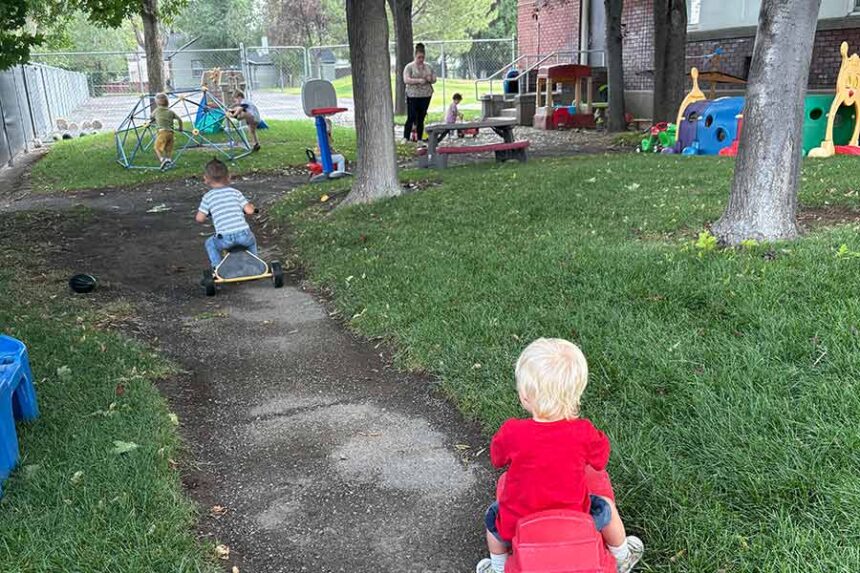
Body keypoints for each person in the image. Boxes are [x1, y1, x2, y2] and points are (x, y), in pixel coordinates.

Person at [476, 338, 645, 573]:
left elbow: (497, 459)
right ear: (577, 394)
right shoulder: (583, 432)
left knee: (493, 518)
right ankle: (622, 555)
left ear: (524, 395)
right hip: (577, 520)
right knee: (606, 506)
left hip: (519, 522)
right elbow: (600, 460)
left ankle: (498, 567)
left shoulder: (512, 432)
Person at [195, 158, 257, 270]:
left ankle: (217, 268)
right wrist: (252, 207)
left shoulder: (208, 197)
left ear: (206, 179)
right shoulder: (235, 193)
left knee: (210, 243)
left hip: (225, 238)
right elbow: (249, 211)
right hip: (244, 235)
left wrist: (208, 213)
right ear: (229, 177)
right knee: (252, 241)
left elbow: (199, 218)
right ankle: (255, 264)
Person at [402, 43, 436, 142]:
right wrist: (418, 81)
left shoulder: (428, 67)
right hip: (413, 95)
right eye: (419, 57)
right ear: (415, 56)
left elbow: (434, 79)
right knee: (411, 116)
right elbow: (406, 79)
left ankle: (419, 138)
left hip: (425, 95)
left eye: (422, 57)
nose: (421, 59)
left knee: (421, 117)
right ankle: (406, 136)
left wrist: (430, 79)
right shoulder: (409, 67)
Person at [150, 93, 183, 170]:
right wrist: (180, 128)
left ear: (157, 103)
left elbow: (151, 117)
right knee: (168, 149)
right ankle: (168, 160)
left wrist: (153, 120)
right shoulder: (170, 111)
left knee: (157, 147)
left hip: (162, 133)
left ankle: (162, 160)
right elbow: (179, 119)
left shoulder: (156, 111)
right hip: (171, 133)